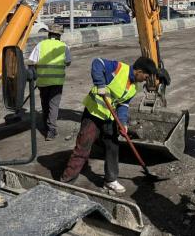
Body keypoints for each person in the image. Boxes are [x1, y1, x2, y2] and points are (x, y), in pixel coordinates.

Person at [60, 56, 161, 193]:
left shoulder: (133, 88)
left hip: (109, 117)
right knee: (83, 147)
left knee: (113, 147)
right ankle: (66, 182)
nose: (145, 79)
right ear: (139, 71)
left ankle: (110, 180)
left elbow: (123, 105)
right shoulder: (119, 68)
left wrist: (123, 123)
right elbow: (97, 62)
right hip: (94, 113)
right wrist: (100, 84)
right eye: (146, 76)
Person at [27, 24, 71, 141]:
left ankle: (46, 127)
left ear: (49, 34)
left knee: (45, 104)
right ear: (59, 36)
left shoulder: (40, 45)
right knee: (53, 105)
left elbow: (31, 61)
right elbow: (68, 62)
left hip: (42, 81)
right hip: (57, 82)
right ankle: (51, 131)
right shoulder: (64, 46)